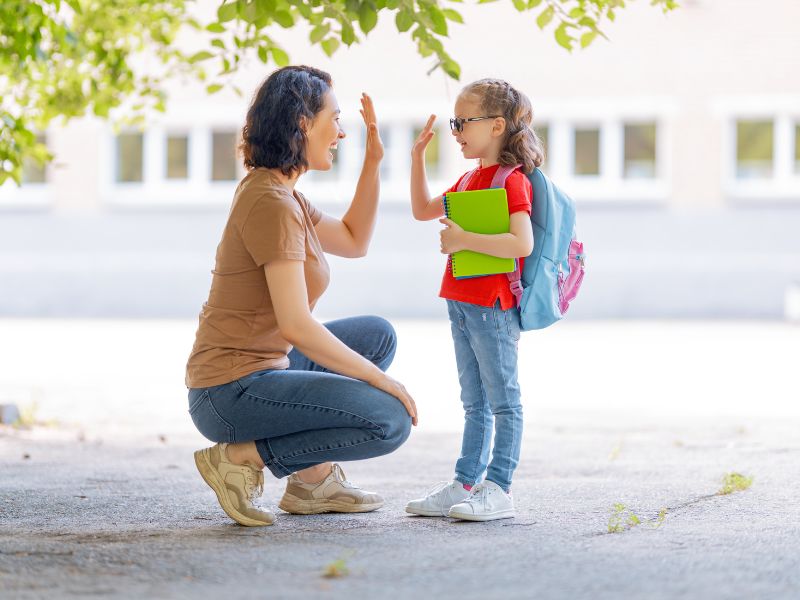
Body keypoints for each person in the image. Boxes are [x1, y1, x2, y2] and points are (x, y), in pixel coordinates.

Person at [186, 66, 417, 527]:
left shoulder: (283, 193)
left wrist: (374, 163)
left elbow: (354, 240)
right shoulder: (271, 203)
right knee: (388, 420)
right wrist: (381, 381)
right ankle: (242, 456)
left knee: (377, 336)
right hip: (229, 393)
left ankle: (311, 483)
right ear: (303, 122)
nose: (342, 131)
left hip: (268, 369)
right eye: (334, 117)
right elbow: (296, 324)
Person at [405, 78, 543, 521]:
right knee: (473, 401)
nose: (456, 131)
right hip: (461, 300)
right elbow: (423, 210)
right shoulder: (468, 178)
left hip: (493, 305)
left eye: (463, 122)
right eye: (454, 122)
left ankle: (498, 487)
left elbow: (519, 244)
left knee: (503, 399)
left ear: (497, 125)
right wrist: (415, 160)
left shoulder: (511, 181)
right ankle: (466, 482)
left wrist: (464, 237)